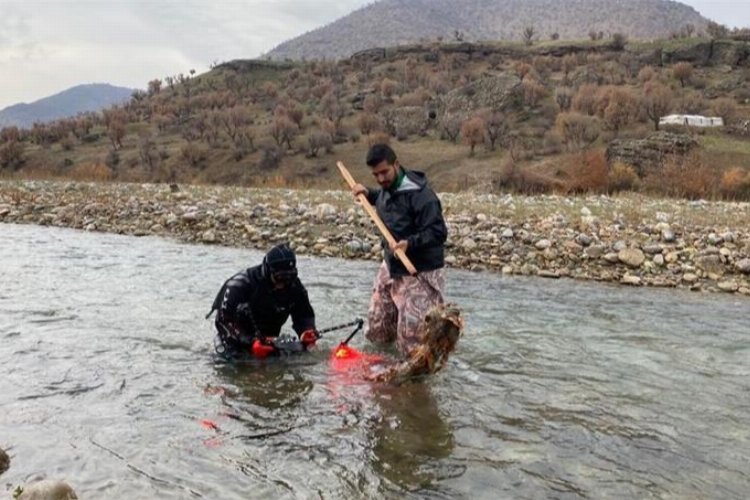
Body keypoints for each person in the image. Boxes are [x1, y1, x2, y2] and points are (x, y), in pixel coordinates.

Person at [351, 143, 448, 356]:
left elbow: (439, 232)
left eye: (384, 172)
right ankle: (379, 367)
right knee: (377, 326)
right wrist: (368, 194)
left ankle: (415, 378)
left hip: (420, 270)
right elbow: (383, 198)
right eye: (375, 175)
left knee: (412, 338)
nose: (381, 179)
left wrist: (410, 242)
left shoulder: (422, 196)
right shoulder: (386, 189)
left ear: (396, 164)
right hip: (391, 265)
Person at [207, 243, 317, 359]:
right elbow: (223, 320)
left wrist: (306, 331)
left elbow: (304, 315)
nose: (283, 284)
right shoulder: (240, 285)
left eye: (289, 278)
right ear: (268, 271)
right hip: (235, 342)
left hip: (269, 342)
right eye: (279, 278)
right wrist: (251, 343)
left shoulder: (294, 286)